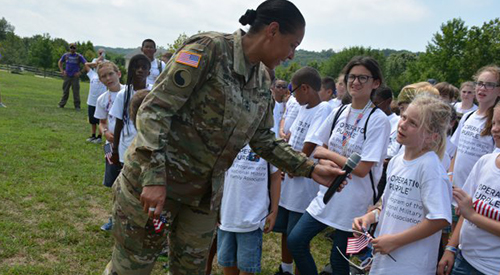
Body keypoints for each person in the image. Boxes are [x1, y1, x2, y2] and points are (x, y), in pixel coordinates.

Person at [102, 1, 345, 274]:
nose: (291, 55)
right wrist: (154, 178)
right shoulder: (209, 49)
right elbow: (155, 110)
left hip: (201, 198)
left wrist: (310, 168)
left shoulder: (262, 81)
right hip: (157, 185)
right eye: (293, 45)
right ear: (272, 30)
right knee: (130, 268)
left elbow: (263, 138)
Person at [287, 56, 390, 275]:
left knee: (339, 260)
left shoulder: (377, 119)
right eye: (352, 77)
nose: (356, 82)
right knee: (295, 240)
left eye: (363, 77)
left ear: (376, 83)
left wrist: (327, 154)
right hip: (326, 195)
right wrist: (328, 156)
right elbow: (317, 150)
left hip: (354, 203)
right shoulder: (339, 112)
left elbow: (362, 169)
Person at [353, 95, 453, 275]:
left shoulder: (430, 167)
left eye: (413, 123)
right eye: (404, 117)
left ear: (432, 136)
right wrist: (369, 218)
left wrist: (395, 241)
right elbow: (387, 203)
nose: (403, 124)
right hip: (386, 259)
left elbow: (440, 218)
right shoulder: (396, 161)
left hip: (411, 265)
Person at [273, 67, 332, 275]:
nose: (292, 94)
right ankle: (285, 269)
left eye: (294, 89)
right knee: (285, 230)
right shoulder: (303, 108)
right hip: (290, 179)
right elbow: (291, 136)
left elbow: (311, 142)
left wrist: (295, 165)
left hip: (304, 183)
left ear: (305, 88)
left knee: (297, 237)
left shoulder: (323, 108)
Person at [438, 102, 500, 275]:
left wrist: (472, 214)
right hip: (463, 259)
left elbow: (469, 212)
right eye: (494, 123)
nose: (495, 129)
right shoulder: (486, 161)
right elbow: (466, 210)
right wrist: (450, 248)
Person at [217, 144, 281, 275]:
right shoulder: (228, 137)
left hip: (253, 219)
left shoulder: (267, 142)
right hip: (226, 215)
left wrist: (274, 210)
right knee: (227, 262)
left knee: (247, 268)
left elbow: (276, 177)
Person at [93, 61, 124, 231]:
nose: (108, 78)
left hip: (128, 147)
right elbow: (102, 121)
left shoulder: (130, 92)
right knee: (114, 184)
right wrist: (105, 132)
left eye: (110, 74)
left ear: (118, 74)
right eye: (103, 76)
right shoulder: (102, 99)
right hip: (110, 146)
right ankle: (114, 218)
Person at [109, 54, 152, 165]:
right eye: (136, 67)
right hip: (127, 146)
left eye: (144, 68)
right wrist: (114, 150)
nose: (140, 70)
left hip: (148, 147)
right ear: (130, 71)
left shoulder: (154, 92)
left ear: (149, 72)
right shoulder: (123, 94)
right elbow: (119, 124)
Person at [84, 56, 107, 143]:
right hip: (91, 101)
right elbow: (86, 64)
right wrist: (95, 62)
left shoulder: (105, 76)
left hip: (101, 102)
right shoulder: (92, 74)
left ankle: (99, 137)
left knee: (100, 121)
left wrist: (102, 64)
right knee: (92, 120)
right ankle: (93, 135)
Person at [58, 43, 87, 110]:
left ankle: (77, 106)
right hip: (67, 76)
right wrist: (62, 71)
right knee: (65, 91)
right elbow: (60, 62)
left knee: (76, 92)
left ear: (76, 48)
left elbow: (86, 64)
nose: (72, 49)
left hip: (75, 77)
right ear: (69, 48)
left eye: (74, 48)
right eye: (71, 47)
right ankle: (61, 104)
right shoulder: (66, 55)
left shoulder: (79, 56)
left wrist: (80, 72)